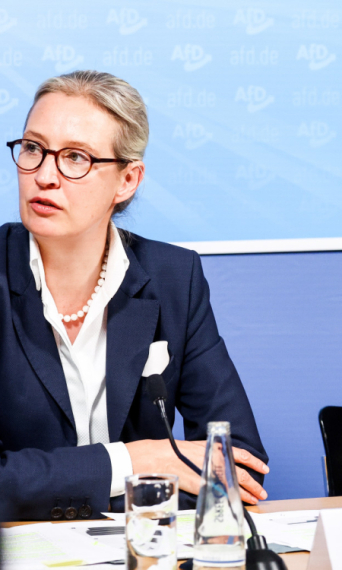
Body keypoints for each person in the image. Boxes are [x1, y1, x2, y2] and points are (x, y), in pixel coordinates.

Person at [0, 70, 268, 521]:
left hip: (140, 548)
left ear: (127, 180)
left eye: (75, 157)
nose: (44, 176)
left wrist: (61, 487)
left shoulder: (173, 278)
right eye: (33, 148)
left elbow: (238, 464)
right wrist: (134, 462)